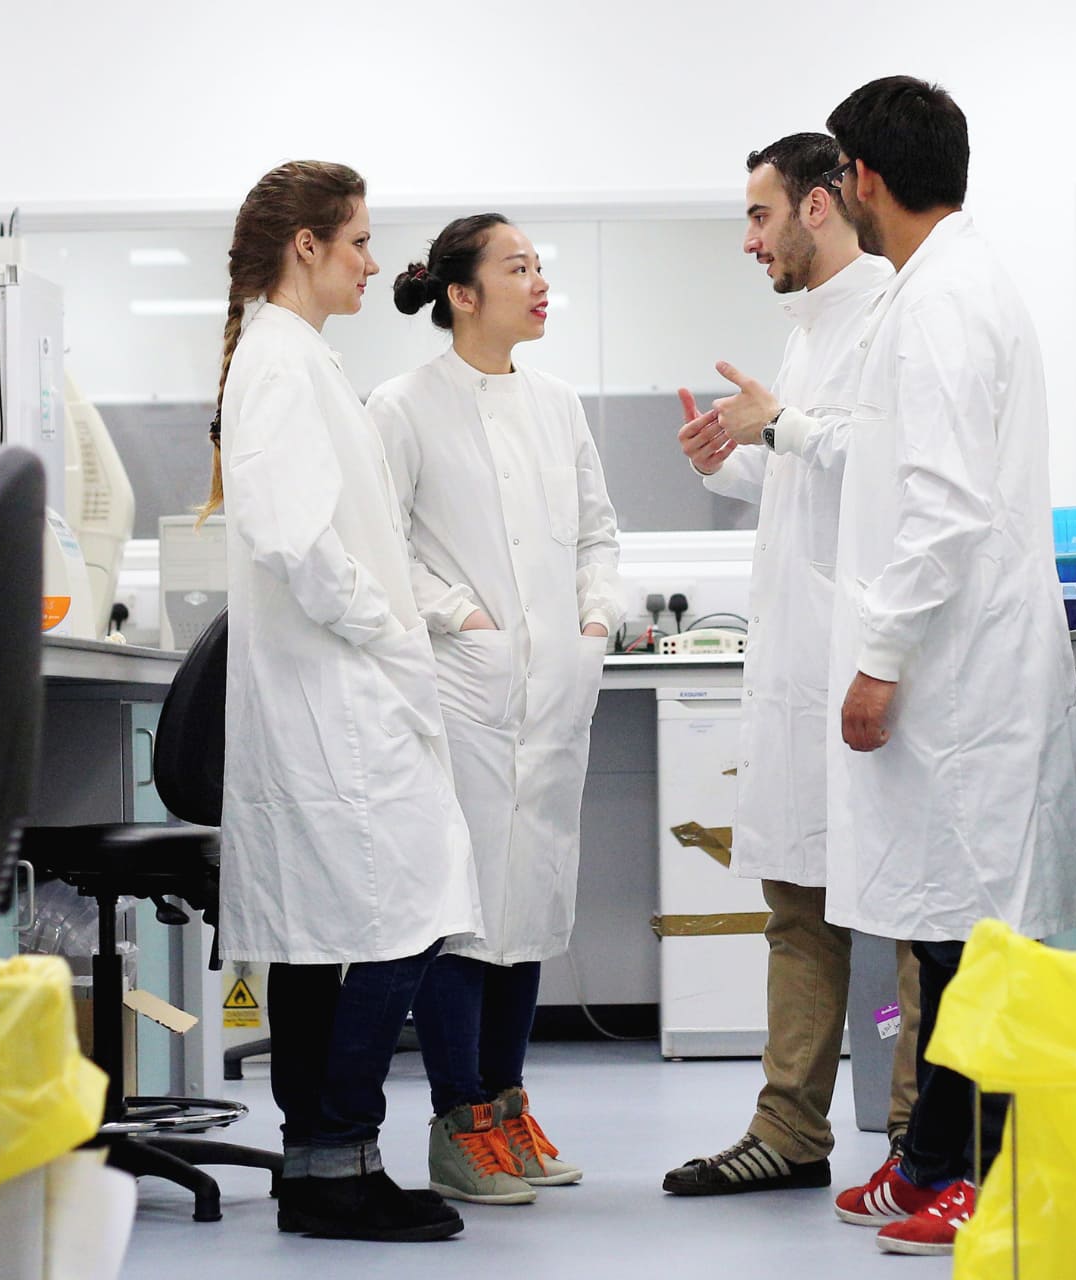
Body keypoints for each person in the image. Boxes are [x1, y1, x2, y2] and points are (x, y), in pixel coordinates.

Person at [710, 79, 1076, 1257]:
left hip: (955, 666)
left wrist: (876, 661)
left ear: (861, 182)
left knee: (970, 937)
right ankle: (930, 1156)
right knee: (943, 930)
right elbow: (884, 467)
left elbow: (939, 509)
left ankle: (972, 1165)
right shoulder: (943, 287)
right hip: (953, 660)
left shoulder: (935, 303)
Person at [205, 160, 482, 1245]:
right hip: (338, 689)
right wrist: (382, 623)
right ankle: (335, 1153)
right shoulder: (278, 360)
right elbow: (292, 536)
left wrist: (413, 615)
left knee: (334, 932)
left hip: (342, 687)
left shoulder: (295, 356)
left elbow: (336, 526)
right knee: (400, 912)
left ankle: (325, 1162)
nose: (375, 260)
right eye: (358, 240)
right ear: (306, 246)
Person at [661, 133, 924, 1197]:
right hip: (800, 664)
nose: (749, 238)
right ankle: (790, 1129)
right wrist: (742, 456)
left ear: (821, 207)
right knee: (797, 906)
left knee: (906, 909)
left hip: (868, 659)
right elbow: (807, 482)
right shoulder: (810, 330)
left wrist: (788, 427)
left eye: (761, 215)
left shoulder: (896, 314)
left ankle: (918, 1134)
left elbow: (899, 470)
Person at [368, 214, 622, 1208]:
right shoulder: (403, 404)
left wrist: (597, 616)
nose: (539, 283)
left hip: (555, 681)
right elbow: (382, 540)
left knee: (531, 901)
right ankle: (456, 1120)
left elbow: (598, 530)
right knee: (465, 909)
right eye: (518, 268)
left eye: (540, 267)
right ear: (462, 293)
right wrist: (458, 616)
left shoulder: (558, 403)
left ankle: (508, 1103)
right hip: (462, 685)